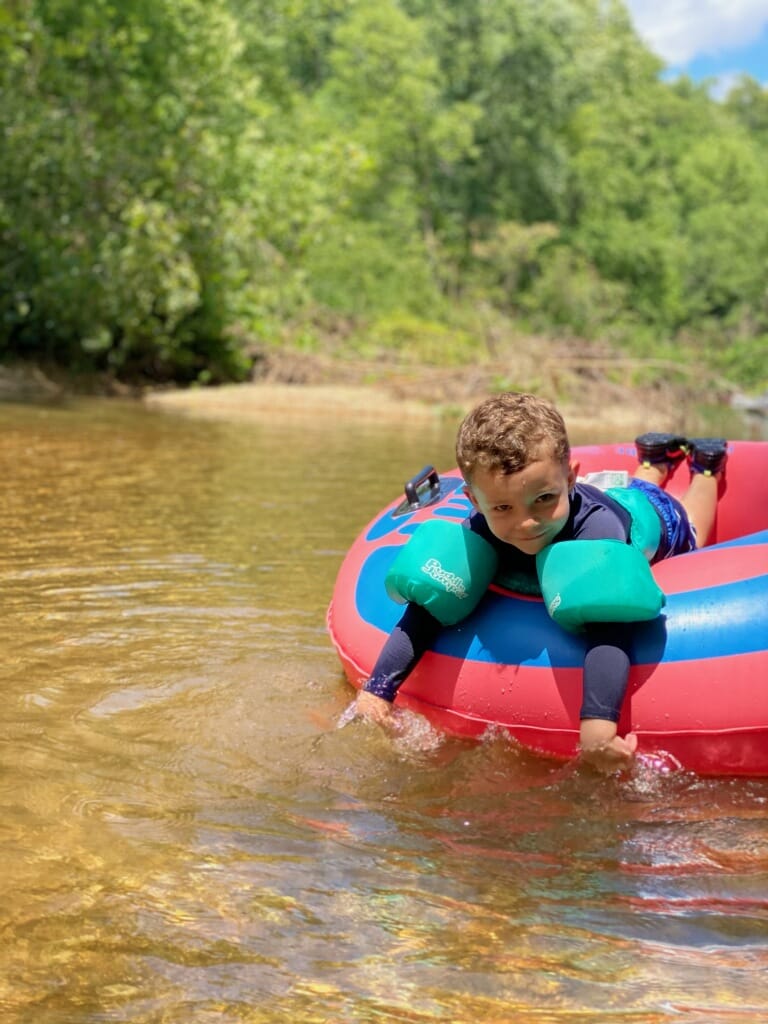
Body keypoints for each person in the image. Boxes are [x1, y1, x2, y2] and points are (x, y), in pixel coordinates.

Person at [353, 392, 728, 770]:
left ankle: (706, 470)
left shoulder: (597, 532)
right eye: (502, 508)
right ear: (474, 501)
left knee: (688, 521)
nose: (527, 523)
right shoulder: (483, 526)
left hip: (653, 517)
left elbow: (609, 626)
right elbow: (427, 608)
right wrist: (377, 692)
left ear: (570, 478)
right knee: (629, 487)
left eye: (544, 499)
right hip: (605, 495)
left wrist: (598, 731)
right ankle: (654, 461)